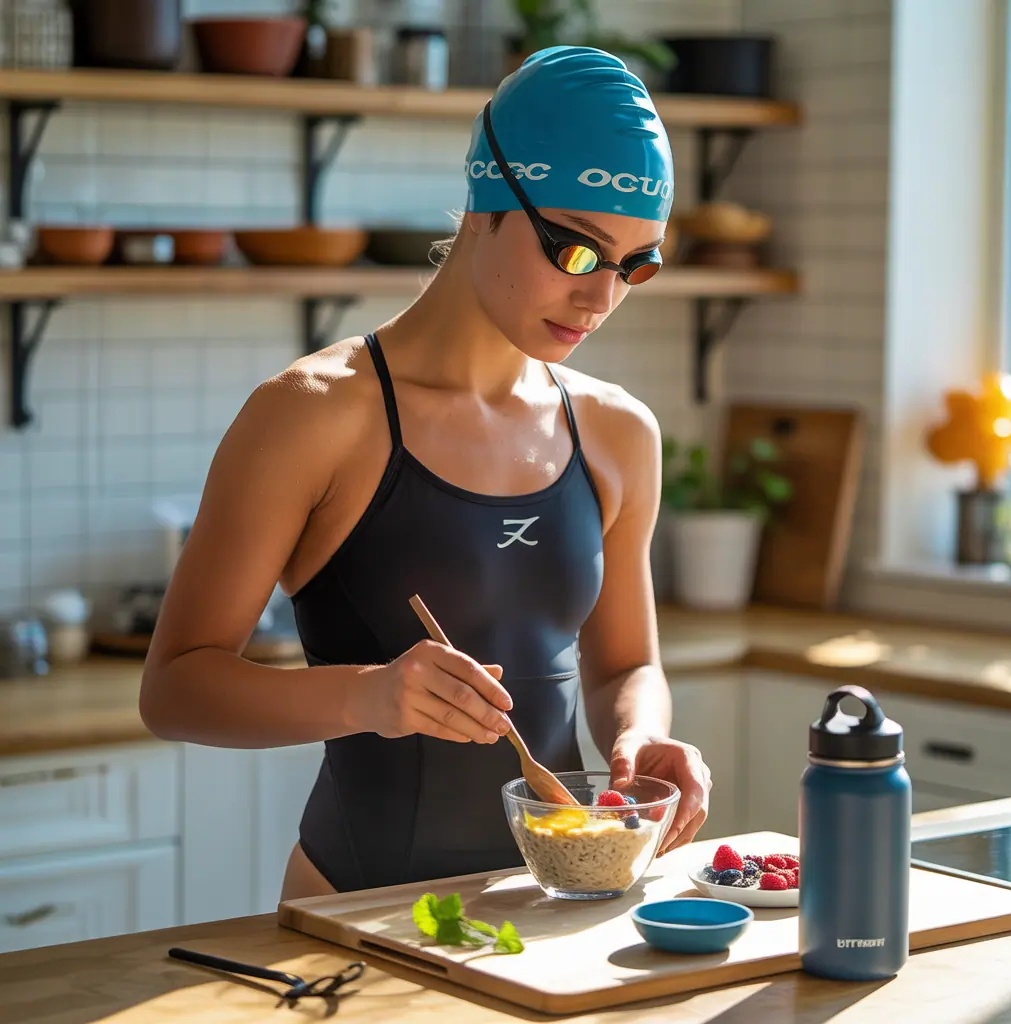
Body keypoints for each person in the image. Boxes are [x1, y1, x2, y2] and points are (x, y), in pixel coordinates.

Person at [139, 45, 712, 900]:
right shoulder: (314, 412)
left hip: (559, 905)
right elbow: (175, 690)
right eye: (579, 252)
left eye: (636, 265)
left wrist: (641, 733)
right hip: (358, 911)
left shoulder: (618, 431)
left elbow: (623, 664)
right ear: (488, 204)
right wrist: (368, 698)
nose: (601, 300)